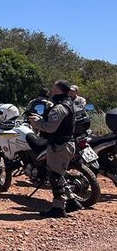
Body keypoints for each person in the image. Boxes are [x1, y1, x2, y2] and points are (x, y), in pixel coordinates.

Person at [29, 80, 80, 218]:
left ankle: (58, 208)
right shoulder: (70, 103)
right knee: (59, 174)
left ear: (58, 91)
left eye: (53, 90)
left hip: (59, 146)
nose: (51, 93)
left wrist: (37, 122)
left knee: (55, 176)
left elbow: (50, 127)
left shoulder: (60, 107)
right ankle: (72, 201)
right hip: (66, 143)